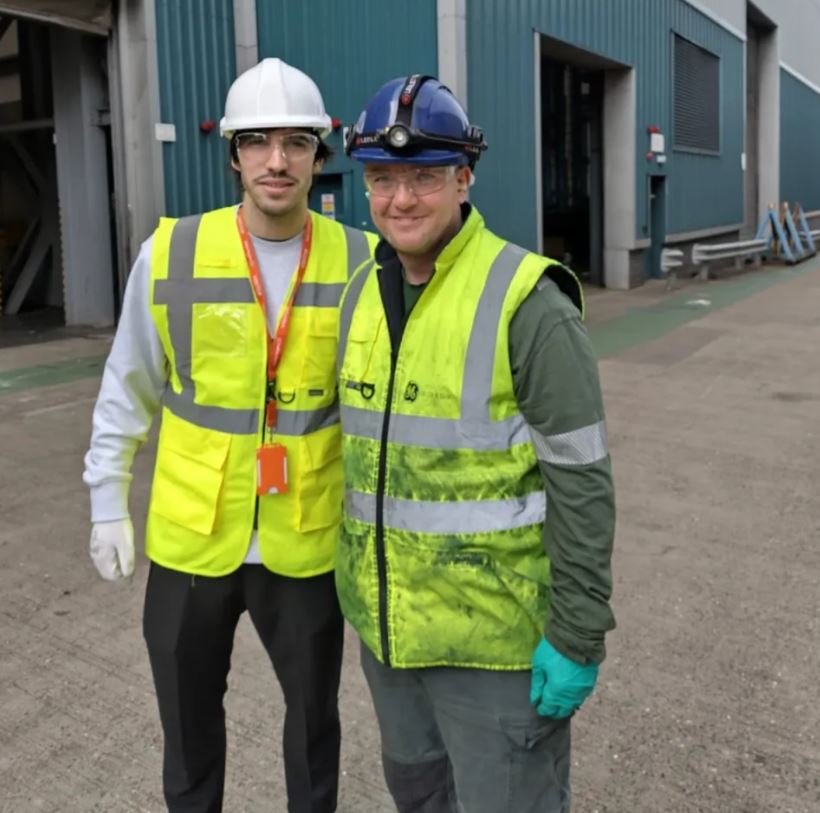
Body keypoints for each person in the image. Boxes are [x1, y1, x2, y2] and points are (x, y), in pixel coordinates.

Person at [83, 58, 375, 813]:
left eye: (296, 143)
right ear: (234, 154)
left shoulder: (362, 262)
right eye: (257, 142)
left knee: (315, 730)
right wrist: (106, 499)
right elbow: (128, 387)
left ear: (321, 153)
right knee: (187, 734)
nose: (276, 160)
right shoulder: (170, 252)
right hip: (190, 543)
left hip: (305, 542)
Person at [336, 74, 616, 813]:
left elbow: (582, 479)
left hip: (495, 651)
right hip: (391, 642)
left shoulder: (529, 301)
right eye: (383, 178)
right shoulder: (360, 292)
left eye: (424, 177)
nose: (400, 199)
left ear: (464, 178)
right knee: (421, 798)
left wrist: (579, 633)